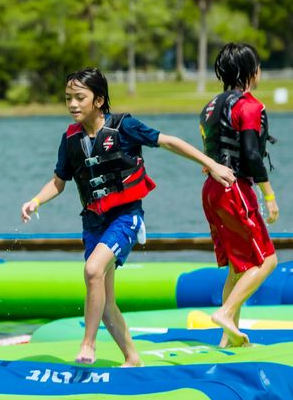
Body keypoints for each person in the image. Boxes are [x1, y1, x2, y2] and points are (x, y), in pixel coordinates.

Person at [20, 68, 236, 366]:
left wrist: (211, 164)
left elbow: (169, 141)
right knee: (107, 303)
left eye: (79, 97)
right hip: (93, 222)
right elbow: (58, 181)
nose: (72, 104)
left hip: (125, 218)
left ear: (99, 100)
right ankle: (132, 358)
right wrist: (35, 201)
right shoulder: (70, 139)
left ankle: (88, 345)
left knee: (93, 271)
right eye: (68, 98)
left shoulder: (124, 127)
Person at [200, 43, 279, 347]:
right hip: (234, 188)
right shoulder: (249, 106)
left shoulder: (210, 106)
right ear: (251, 72)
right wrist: (269, 195)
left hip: (211, 190)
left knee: (238, 266)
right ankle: (226, 312)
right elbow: (251, 154)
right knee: (267, 261)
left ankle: (228, 339)